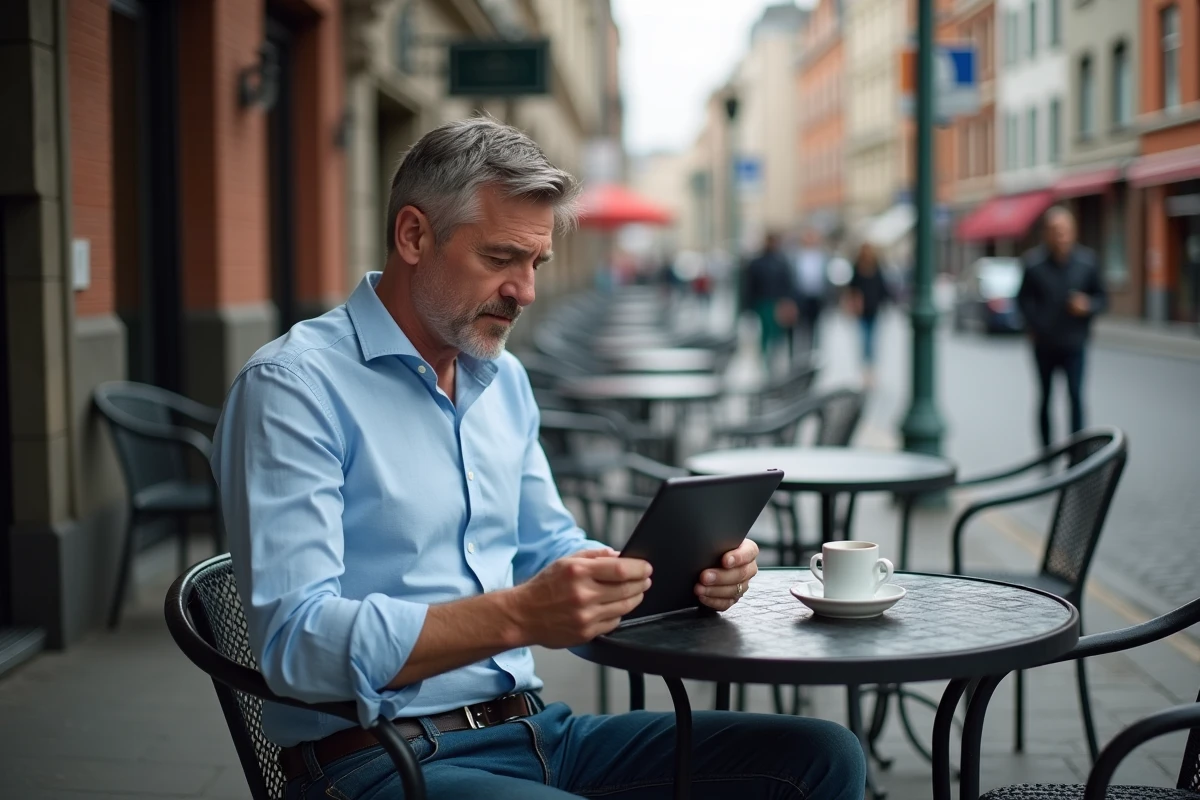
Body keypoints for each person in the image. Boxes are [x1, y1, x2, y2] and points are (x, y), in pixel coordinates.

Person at [210, 118, 864, 800]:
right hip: (380, 759)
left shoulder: (502, 379)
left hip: (537, 732)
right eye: (499, 259)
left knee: (820, 757)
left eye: (535, 264)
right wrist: (519, 616)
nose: (525, 290)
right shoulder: (294, 387)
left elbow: (546, 549)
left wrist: (663, 579)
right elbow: (297, 645)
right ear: (414, 236)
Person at [1016, 206, 1108, 449]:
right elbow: (1022, 300)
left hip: (1075, 342)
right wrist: (1034, 326)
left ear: (1074, 232)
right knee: (1045, 398)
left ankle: (1077, 452)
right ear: (1046, 233)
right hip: (1044, 345)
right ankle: (1046, 451)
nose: (1061, 237)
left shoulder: (1087, 263)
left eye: (1065, 231)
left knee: (1076, 397)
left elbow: (1102, 298)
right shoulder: (1033, 264)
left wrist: (1087, 306)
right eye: (1056, 231)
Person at [745, 233, 798, 371]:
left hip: (777, 303)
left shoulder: (782, 262)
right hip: (762, 302)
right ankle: (765, 360)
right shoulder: (758, 262)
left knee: (776, 334)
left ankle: (774, 360)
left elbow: (788, 284)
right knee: (765, 333)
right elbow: (750, 285)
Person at [847, 241, 893, 389]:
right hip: (862, 311)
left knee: (872, 340)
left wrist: (887, 303)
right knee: (865, 339)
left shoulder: (876, 268)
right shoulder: (857, 268)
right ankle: (866, 370)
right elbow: (852, 288)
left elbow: (883, 288)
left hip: (874, 309)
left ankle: (871, 370)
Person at [790, 228, 829, 356]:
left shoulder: (822, 256)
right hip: (801, 297)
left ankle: (813, 353)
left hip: (816, 297)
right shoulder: (796, 256)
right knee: (800, 328)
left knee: (815, 327)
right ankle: (799, 354)